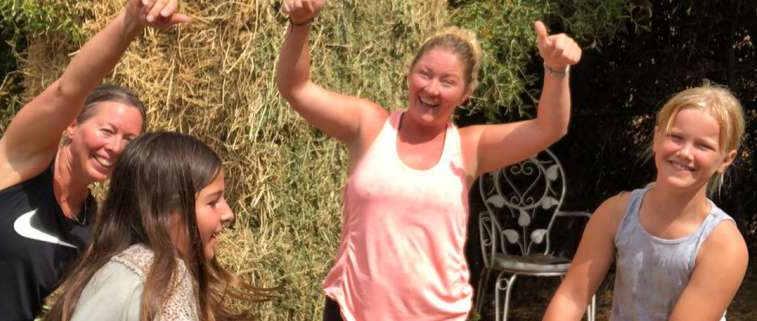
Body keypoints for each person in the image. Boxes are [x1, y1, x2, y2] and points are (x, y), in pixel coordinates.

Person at [277, 1, 582, 320]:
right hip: (353, 311)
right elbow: (295, 88)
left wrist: (556, 70)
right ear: (410, 74)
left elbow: (551, 127)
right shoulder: (368, 126)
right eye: (425, 74)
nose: (432, 89)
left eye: (448, 82)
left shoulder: (469, 146)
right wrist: (301, 23)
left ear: (466, 93)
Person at [0, 1, 190, 320]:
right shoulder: (17, 165)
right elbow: (67, 90)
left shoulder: (89, 228)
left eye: (129, 140)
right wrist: (130, 22)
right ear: (71, 125)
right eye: (107, 130)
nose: (114, 147)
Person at [541, 85, 749, 321]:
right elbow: (571, 297)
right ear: (656, 137)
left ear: (726, 159)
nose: (685, 153)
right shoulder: (615, 213)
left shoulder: (724, 246)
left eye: (703, 146)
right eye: (676, 137)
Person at [44, 132, 269, 321]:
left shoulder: (167, 274)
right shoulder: (130, 280)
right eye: (212, 202)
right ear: (166, 212)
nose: (228, 214)